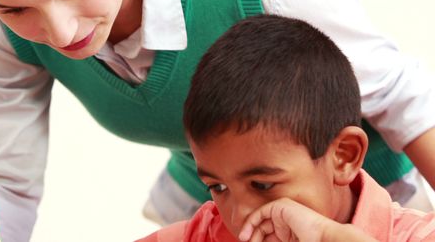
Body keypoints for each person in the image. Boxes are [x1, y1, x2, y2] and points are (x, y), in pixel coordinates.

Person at [0, 0, 435, 241]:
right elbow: (1, 179)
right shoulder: (213, 221)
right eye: (14, 8)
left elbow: (402, 99)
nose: (60, 33)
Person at [138, 15, 435, 242]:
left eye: (263, 185)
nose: (238, 216)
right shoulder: (205, 234)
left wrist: (325, 236)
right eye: (219, 188)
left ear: (344, 156)